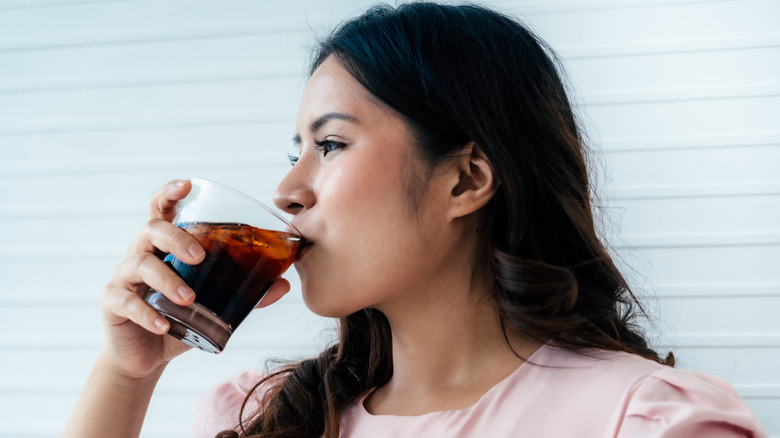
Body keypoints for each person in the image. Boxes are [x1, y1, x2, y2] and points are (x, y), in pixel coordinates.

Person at [64, 3, 768, 438]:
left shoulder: (644, 421)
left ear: (465, 179)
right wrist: (127, 376)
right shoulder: (261, 418)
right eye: (295, 151)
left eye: (331, 145)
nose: (286, 190)